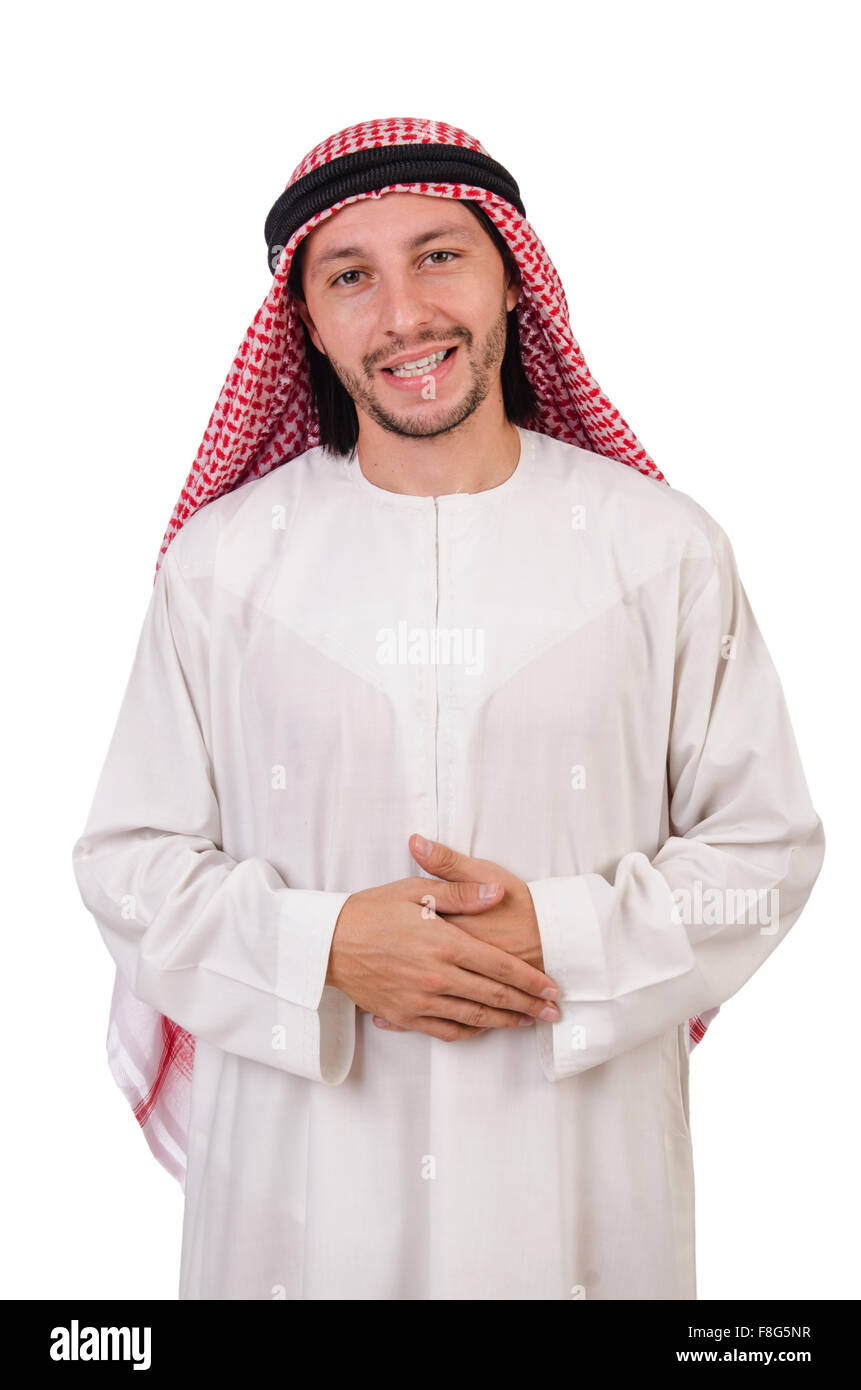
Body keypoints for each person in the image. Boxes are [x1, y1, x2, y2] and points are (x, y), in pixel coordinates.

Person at [71, 115, 825, 1300]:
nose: (403, 314)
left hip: (580, 1194)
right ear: (305, 320)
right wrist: (327, 947)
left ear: (512, 279)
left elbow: (764, 848)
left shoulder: (659, 551)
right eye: (350, 277)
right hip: (297, 1208)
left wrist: (557, 936)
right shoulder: (223, 567)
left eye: (439, 256)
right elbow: (129, 863)